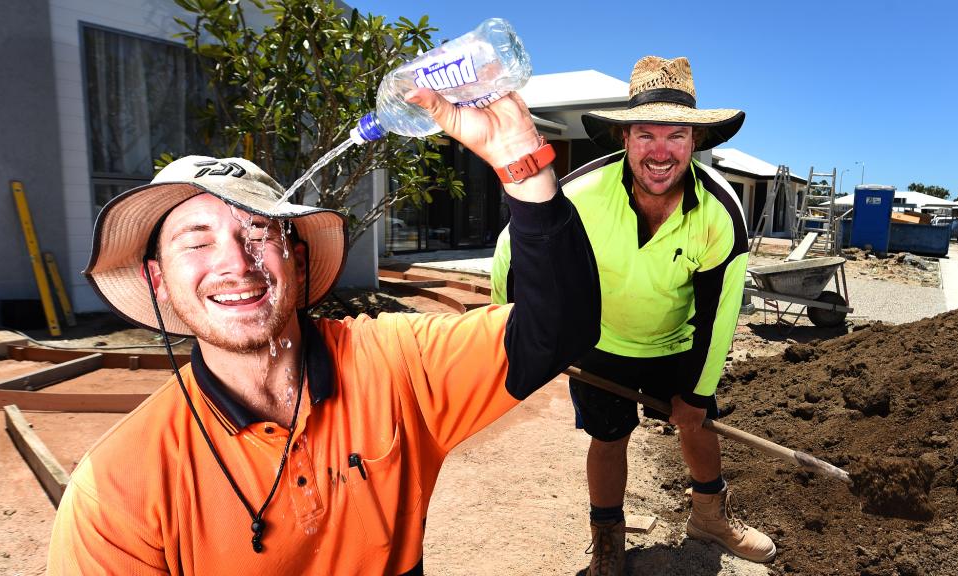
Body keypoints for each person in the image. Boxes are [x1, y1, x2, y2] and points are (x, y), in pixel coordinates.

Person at [47, 87, 600, 575]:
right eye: (195, 241)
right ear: (157, 280)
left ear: (299, 259)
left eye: (258, 231)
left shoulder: (395, 365)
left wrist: (519, 161)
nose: (236, 264)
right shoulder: (119, 485)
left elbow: (560, 328)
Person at [491, 56, 775, 575]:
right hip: (599, 344)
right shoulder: (580, 194)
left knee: (700, 425)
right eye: (646, 135)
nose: (661, 152)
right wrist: (517, 332)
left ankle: (710, 518)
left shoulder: (720, 210)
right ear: (625, 138)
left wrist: (696, 393)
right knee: (608, 438)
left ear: (695, 142)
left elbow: (720, 312)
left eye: (676, 136)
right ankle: (607, 539)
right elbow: (513, 249)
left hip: (679, 341)